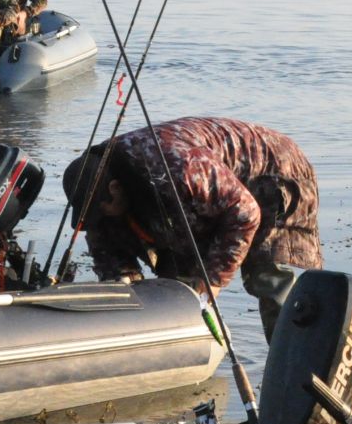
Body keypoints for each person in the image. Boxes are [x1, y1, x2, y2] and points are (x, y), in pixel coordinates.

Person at [62, 117, 322, 339]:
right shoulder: (96, 190)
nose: (101, 218)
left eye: (102, 209)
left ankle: (297, 357)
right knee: (177, 284)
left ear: (115, 189)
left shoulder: (175, 167)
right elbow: (107, 254)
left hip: (271, 172)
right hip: (200, 196)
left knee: (266, 275)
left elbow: (245, 213)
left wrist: (210, 282)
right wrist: (123, 287)